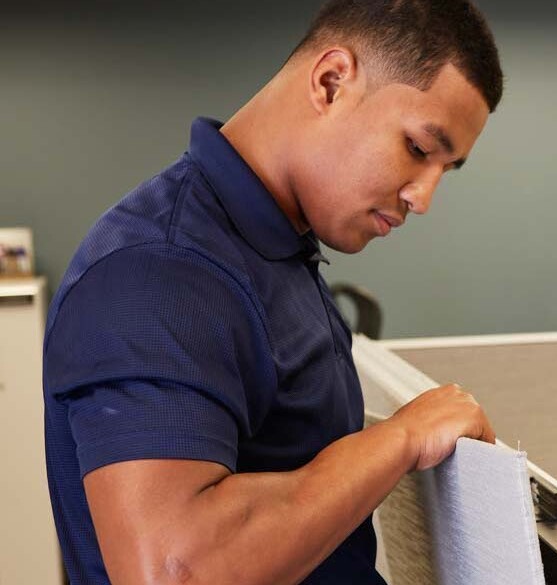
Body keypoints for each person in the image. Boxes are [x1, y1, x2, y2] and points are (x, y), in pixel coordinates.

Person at [41, 1, 502, 583]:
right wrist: (402, 439)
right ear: (332, 82)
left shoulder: (273, 249)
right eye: (416, 148)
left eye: (445, 168)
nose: (423, 197)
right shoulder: (161, 269)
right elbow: (175, 569)